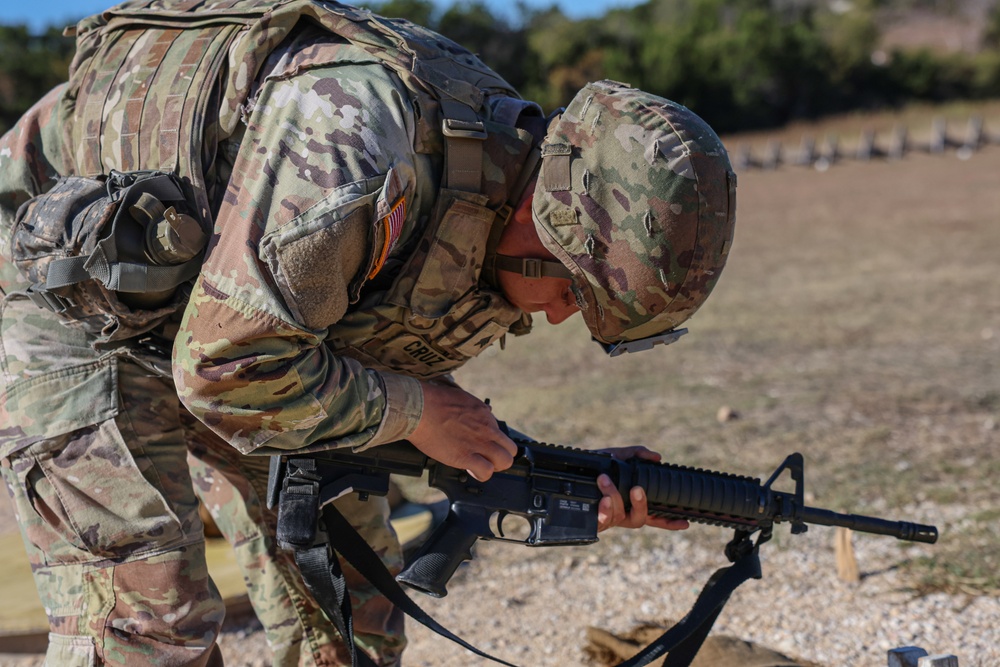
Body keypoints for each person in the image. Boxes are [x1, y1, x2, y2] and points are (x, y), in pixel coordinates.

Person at [0, 1, 736, 665]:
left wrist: (570, 481)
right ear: (544, 219)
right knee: (150, 621)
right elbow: (223, 368)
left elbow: (350, 353)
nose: (561, 316)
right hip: (72, 295)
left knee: (352, 614)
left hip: (241, 328)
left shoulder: (496, 191)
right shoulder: (358, 141)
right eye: (575, 291)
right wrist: (417, 412)